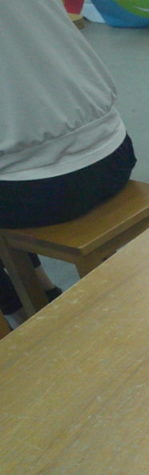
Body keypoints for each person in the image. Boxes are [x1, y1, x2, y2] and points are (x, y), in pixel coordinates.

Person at [0, 0, 137, 324]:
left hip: (36, 192)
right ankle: (40, 287)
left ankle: (22, 317)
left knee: (16, 165)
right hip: (113, 151)